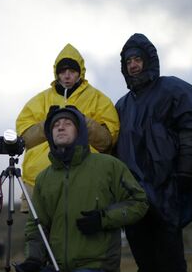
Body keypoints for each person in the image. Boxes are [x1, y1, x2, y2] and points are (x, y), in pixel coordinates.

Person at [115, 33, 192, 272]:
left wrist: (186, 170)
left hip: (166, 184)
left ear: (149, 61)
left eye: (138, 59)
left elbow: (191, 127)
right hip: (133, 189)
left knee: (168, 246)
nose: (133, 65)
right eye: (128, 61)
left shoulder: (173, 89)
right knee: (140, 246)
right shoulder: (122, 105)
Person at [19, 106, 149, 272]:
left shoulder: (109, 166)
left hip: (94, 265)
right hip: (55, 268)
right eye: (55, 125)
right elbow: (37, 225)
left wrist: (103, 218)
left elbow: (139, 202)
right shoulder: (44, 178)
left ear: (80, 131)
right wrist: (33, 259)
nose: (60, 127)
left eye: (67, 123)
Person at [16, 43, 120, 212]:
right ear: (56, 73)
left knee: (78, 234)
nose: (67, 75)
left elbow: (107, 141)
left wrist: (81, 120)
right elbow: (24, 139)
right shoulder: (39, 101)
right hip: (39, 182)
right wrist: (50, 122)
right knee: (38, 235)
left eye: (71, 71)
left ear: (81, 72)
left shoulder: (99, 100)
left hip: (87, 183)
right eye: (62, 71)